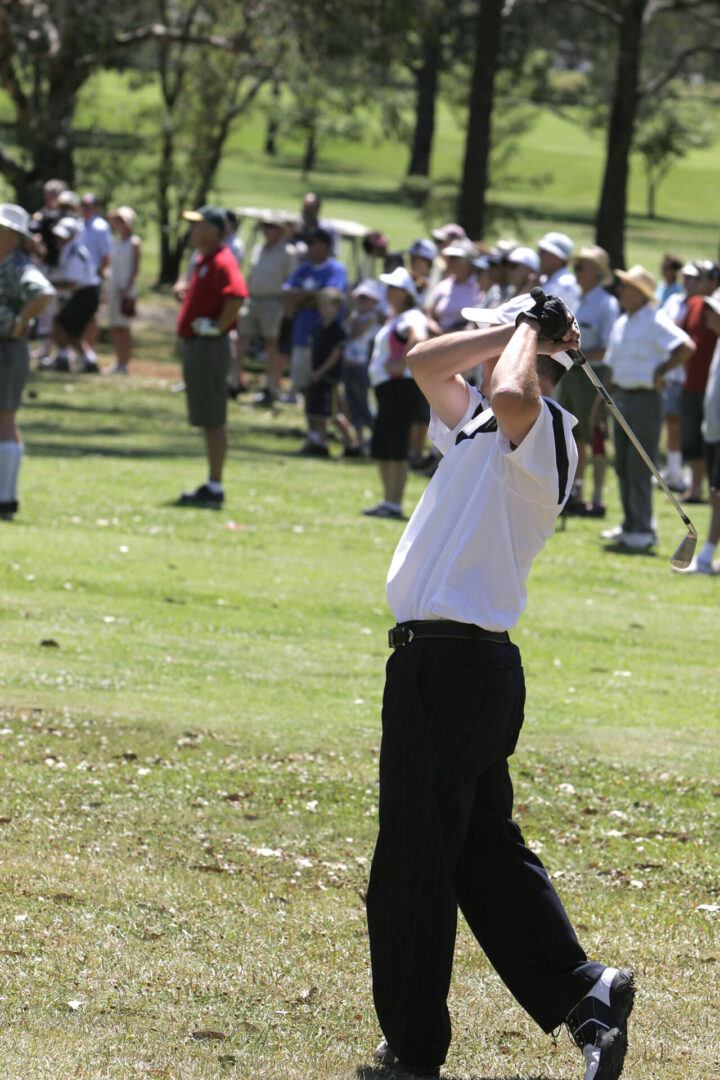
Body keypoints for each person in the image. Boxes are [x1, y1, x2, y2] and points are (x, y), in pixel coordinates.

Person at [366, 290, 636, 1080]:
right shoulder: (480, 423)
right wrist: (514, 328)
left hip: (453, 668)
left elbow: (516, 389)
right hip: (449, 667)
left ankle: (413, 1049)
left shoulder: (545, 430)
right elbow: (422, 362)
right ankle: (587, 991)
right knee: (482, 852)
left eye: (512, 331)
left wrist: (532, 341)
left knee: (412, 869)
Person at [600, 266, 694, 551]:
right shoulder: (622, 322)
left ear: (640, 293)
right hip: (621, 398)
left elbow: (686, 347)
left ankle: (643, 528)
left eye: (625, 286)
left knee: (640, 466)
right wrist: (600, 402)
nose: (620, 290)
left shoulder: (655, 320)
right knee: (624, 466)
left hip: (645, 400)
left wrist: (661, 371)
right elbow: (612, 366)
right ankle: (630, 524)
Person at [175, 206, 248, 508]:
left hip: (209, 347)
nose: (192, 231)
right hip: (198, 346)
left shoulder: (222, 259)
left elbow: (238, 295)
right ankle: (212, 483)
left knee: (213, 418)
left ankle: (215, 486)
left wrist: (217, 327)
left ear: (214, 230)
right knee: (206, 418)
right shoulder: (205, 259)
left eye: (198, 225)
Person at [0, 204, 55, 517]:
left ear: (10, 234)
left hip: (7, 349)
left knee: (5, 419)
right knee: (5, 421)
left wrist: (20, 321)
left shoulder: (18, 265)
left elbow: (44, 294)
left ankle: (5, 498)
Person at [558, 245, 620, 517]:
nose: (576, 272)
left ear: (595, 272)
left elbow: (610, 348)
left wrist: (577, 351)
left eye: (581, 266)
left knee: (594, 434)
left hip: (592, 375)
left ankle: (596, 496)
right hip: (570, 373)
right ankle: (576, 491)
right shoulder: (576, 300)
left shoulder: (607, 303)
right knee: (572, 434)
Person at [363, 267, 428, 519]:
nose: (387, 292)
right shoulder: (396, 316)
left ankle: (394, 504)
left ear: (405, 293)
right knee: (382, 445)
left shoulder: (412, 316)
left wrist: (401, 364)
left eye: (392, 288)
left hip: (400, 387)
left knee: (395, 444)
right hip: (387, 389)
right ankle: (387, 500)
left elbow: (419, 337)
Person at [234, 212, 298, 407]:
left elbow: (291, 281)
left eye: (271, 226)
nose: (267, 230)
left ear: (280, 230)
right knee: (240, 341)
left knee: (271, 346)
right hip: (252, 300)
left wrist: (286, 308)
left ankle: (269, 387)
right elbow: (250, 275)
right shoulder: (258, 249)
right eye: (265, 226)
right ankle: (234, 381)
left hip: (273, 303)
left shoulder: (288, 252)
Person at [677, 295, 720, 573]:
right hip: (714, 432)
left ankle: (705, 557)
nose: (706, 316)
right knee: (715, 494)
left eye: (713, 311)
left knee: (717, 495)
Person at [282, 228, 347, 394]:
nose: (307, 247)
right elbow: (287, 294)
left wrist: (302, 299)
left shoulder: (336, 269)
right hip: (302, 334)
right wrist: (314, 296)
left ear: (324, 246)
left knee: (323, 388)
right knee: (302, 386)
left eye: (311, 243)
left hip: (325, 339)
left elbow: (331, 297)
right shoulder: (304, 268)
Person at [679, 260, 720, 503]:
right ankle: (696, 488)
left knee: (711, 439)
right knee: (692, 437)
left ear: (713, 282)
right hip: (691, 382)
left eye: (703, 277)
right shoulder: (694, 304)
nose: (698, 282)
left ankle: (711, 487)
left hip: (713, 386)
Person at [297, 287, 349, 457]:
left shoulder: (338, 330)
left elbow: (335, 355)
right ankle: (321, 442)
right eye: (322, 305)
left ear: (337, 307)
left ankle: (351, 443)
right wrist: (311, 370)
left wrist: (320, 371)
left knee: (333, 414)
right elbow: (311, 349)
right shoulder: (318, 327)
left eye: (329, 306)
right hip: (316, 376)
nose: (324, 309)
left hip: (329, 378)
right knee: (317, 412)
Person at [47, 216, 102, 372]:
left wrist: (49, 284)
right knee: (69, 329)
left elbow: (71, 282)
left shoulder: (76, 252)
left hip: (86, 294)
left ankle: (65, 358)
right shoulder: (68, 250)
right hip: (83, 294)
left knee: (60, 324)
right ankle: (87, 360)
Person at [341, 278, 381, 452]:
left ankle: (377, 436)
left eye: (366, 298)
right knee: (352, 402)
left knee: (363, 402)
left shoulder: (372, 318)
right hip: (349, 364)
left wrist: (354, 320)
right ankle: (360, 440)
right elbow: (346, 331)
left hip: (362, 365)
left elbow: (356, 333)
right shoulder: (356, 316)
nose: (362, 302)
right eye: (360, 298)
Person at [106, 206, 141, 374]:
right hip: (113, 287)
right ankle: (118, 360)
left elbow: (135, 269)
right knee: (115, 325)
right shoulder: (115, 241)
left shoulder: (134, 242)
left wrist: (126, 290)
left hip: (126, 289)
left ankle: (125, 362)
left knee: (124, 326)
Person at [426, 239, 479, 335]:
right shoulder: (443, 285)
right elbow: (430, 314)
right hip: (440, 336)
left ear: (468, 260)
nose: (451, 261)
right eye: (450, 258)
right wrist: (433, 326)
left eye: (455, 258)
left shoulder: (478, 285)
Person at [537, 231, 580, 310]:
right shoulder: (543, 279)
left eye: (543, 252)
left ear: (557, 258)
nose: (539, 255)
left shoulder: (566, 284)